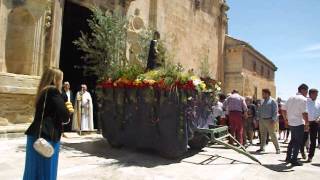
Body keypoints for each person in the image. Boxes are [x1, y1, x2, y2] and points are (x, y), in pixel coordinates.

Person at [23, 67, 70, 180]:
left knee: (32, 172)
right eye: (61, 79)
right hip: (47, 138)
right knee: (46, 173)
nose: (62, 82)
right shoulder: (53, 91)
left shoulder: (42, 91)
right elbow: (65, 116)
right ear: (56, 79)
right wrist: (68, 110)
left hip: (35, 136)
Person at [283, 83, 309, 166]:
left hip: (291, 123)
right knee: (297, 142)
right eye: (306, 91)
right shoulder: (303, 99)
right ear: (303, 90)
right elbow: (304, 113)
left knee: (292, 141)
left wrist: (286, 119)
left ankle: (288, 157)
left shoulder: (290, 98)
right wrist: (307, 123)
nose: (307, 93)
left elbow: (283, 109)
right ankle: (294, 159)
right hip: (299, 123)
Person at [256, 89, 280, 154]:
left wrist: (273, 120)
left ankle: (277, 149)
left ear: (267, 93)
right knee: (262, 134)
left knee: (273, 135)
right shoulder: (262, 101)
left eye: (263, 93)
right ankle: (262, 148)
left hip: (270, 120)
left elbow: (275, 111)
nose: (262, 95)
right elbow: (259, 110)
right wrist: (258, 119)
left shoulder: (273, 101)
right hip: (262, 120)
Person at [304, 88, 320, 162]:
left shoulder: (318, 103)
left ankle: (310, 156)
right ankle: (302, 151)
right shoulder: (305, 101)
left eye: (317, 94)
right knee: (303, 139)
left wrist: (319, 118)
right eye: (315, 94)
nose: (317, 95)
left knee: (313, 141)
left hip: (315, 123)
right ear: (310, 94)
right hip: (305, 123)